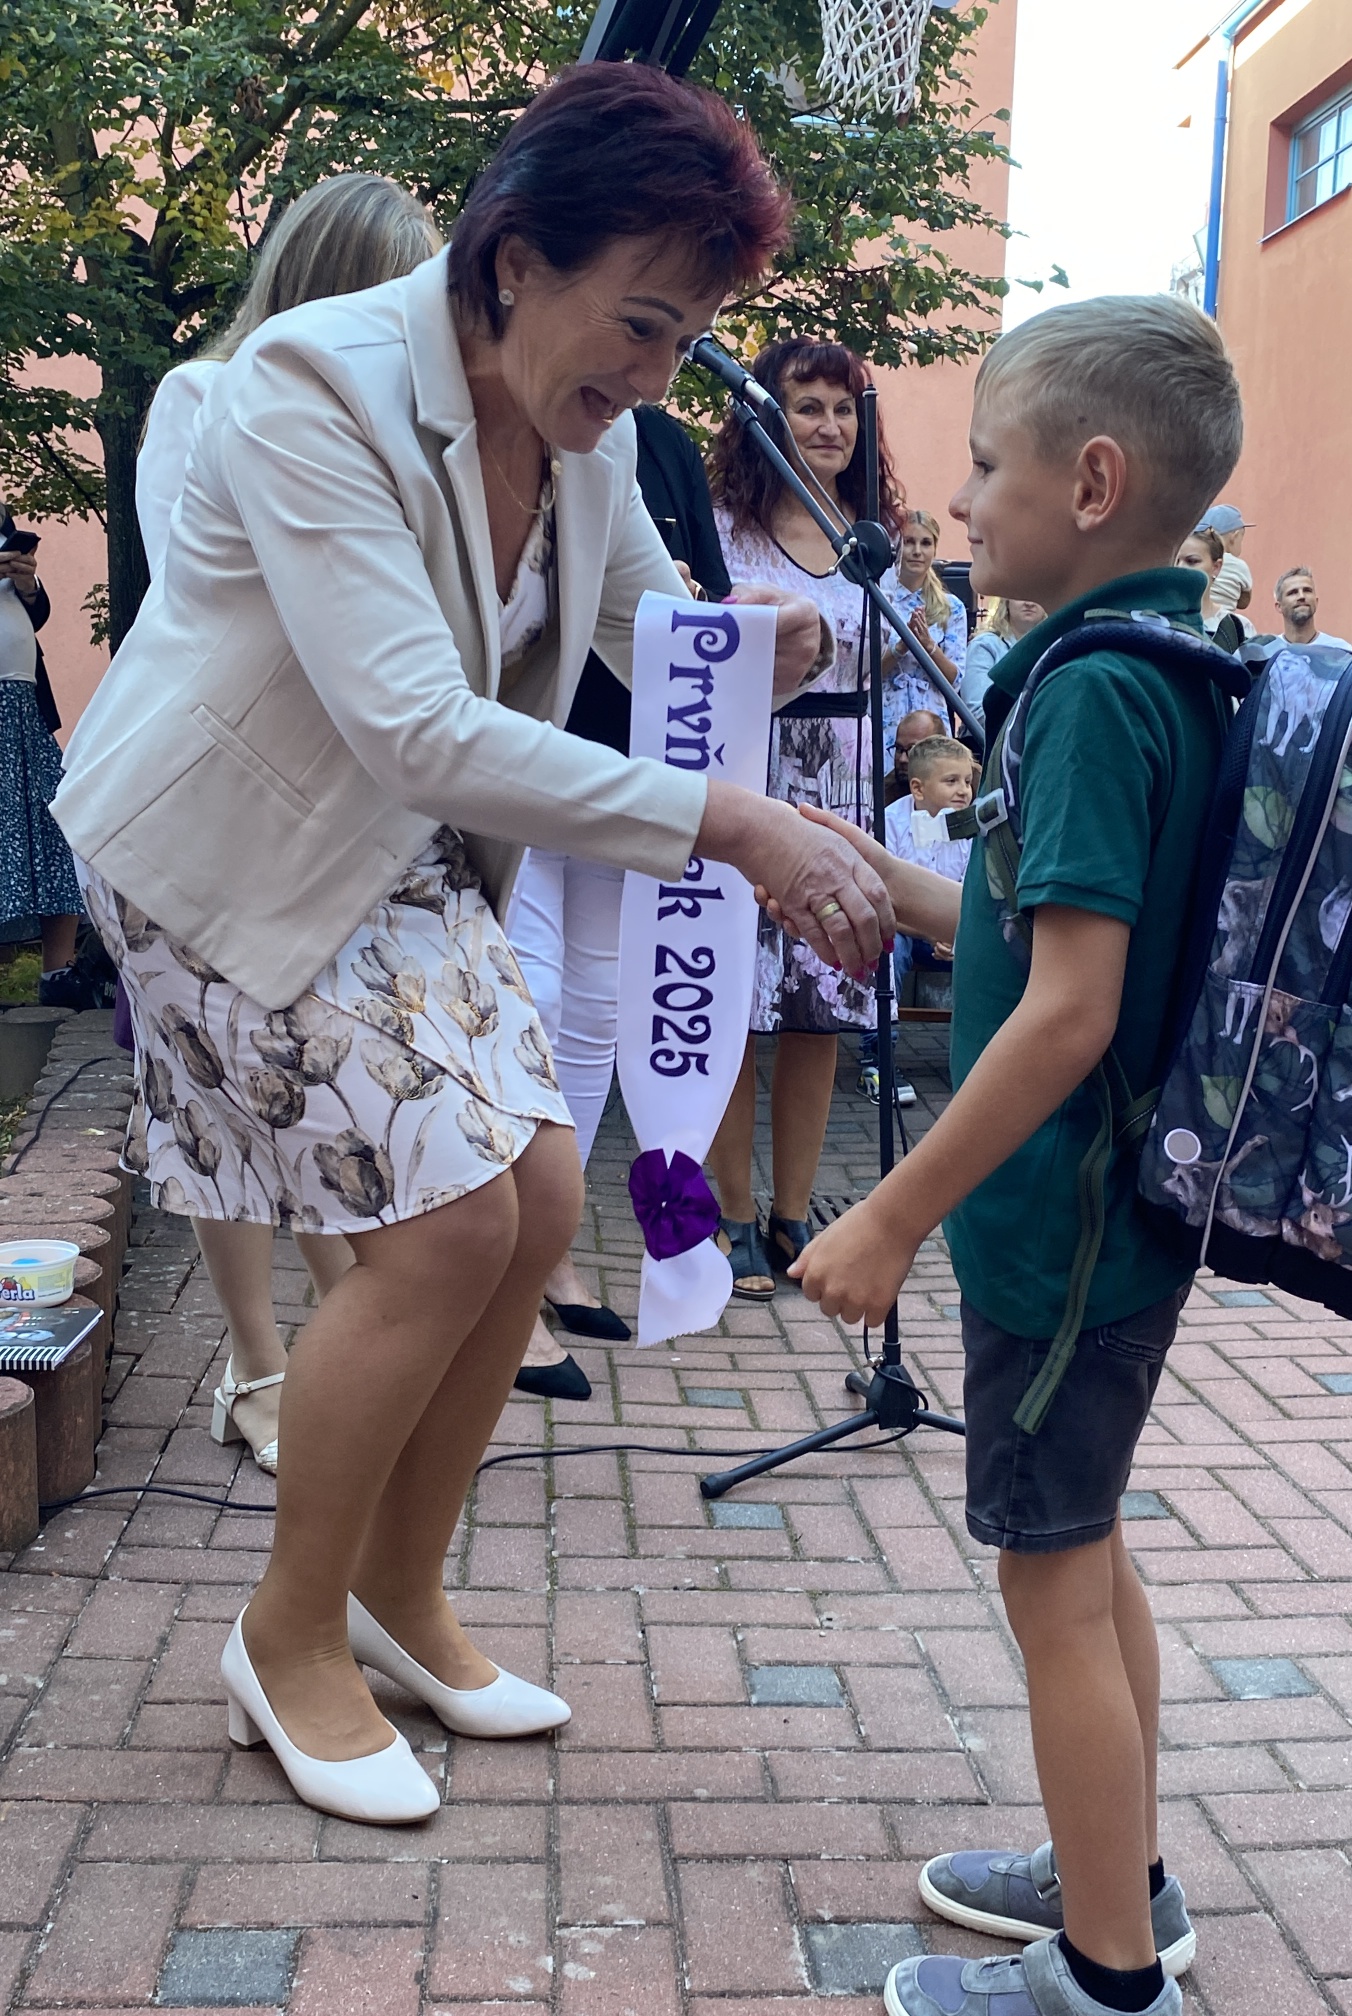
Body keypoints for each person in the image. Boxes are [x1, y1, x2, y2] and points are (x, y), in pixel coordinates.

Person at [52, 63, 894, 1827]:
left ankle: (397, 1593)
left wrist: (768, 653)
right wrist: (736, 828)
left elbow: (657, 636)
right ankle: (286, 1637)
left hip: (402, 857)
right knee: (441, 1231)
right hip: (223, 857)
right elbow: (416, 727)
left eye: (687, 342)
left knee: (535, 1201)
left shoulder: (591, 436)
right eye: (641, 325)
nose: (655, 378)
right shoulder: (311, 385)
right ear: (515, 260)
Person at [789, 293, 1244, 2016]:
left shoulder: (1087, 696)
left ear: (1093, 483)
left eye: (987, 466)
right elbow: (1036, 932)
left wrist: (894, 1218)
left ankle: (1108, 1981)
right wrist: (884, 881)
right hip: (1104, 1212)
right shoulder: (1162, 667)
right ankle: (1115, 1871)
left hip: (1058, 1225)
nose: (962, 500)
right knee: (1088, 1547)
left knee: (1047, 1580)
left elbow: (1065, 1013)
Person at [132, 172, 441, 1474]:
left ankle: (326, 1351)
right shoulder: (204, 399)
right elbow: (202, 604)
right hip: (213, 812)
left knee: (305, 1092)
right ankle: (257, 1364)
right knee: (217, 1099)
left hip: (345, 813)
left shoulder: (399, 437)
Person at [505, 401, 731, 1398]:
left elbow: (705, 599)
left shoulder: (655, 442)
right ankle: (505, 1281)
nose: (655, 361)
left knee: (597, 1010)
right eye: (642, 328)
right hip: (513, 759)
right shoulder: (496, 424)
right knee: (532, 998)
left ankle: (546, 1255)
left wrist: (712, 613)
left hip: (625, 758)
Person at [706, 336, 904, 1298]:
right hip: (753, 764)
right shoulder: (725, 528)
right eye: (807, 405)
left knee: (823, 1004)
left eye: (843, 407)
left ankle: (793, 1211)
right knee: (738, 1003)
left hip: (846, 774)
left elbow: (890, 658)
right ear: (766, 416)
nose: (829, 426)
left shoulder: (872, 535)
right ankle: (731, 1213)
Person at [0, 501, 90, 1008]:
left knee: (55, 826)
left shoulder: (7, 532)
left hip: (24, 704)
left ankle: (59, 973)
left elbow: (34, 616)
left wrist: (29, 584)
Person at [856, 735, 974, 1105]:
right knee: (887, 949)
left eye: (967, 781)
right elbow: (882, 898)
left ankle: (980, 1056)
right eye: (951, 781)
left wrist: (958, 934)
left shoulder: (972, 826)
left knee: (996, 949)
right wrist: (931, 930)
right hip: (905, 928)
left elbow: (977, 894)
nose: (964, 790)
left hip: (957, 930)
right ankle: (879, 1058)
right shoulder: (889, 823)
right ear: (918, 788)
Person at [881, 510, 967, 766]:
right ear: (897, 547)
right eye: (909, 542)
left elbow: (956, 680)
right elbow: (864, 674)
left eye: (926, 543)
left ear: (934, 549)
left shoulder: (951, 607)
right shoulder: (880, 598)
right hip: (886, 717)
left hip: (931, 717)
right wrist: (901, 647)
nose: (917, 551)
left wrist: (929, 646)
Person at [961, 599, 1046, 713]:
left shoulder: (1057, 645)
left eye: (1036, 596)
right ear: (1006, 602)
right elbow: (979, 710)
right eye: (1021, 596)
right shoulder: (984, 646)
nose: (1029, 603)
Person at [1173, 528, 1243, 652]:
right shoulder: (1156, 619)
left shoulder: (1235, 628)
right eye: (1176, 561)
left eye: (1192, 561)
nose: (1180, 568)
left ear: (1216, 567)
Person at [1258, 565, 1351, 652]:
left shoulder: (1339, 650)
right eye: (1293, 592)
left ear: (1316, 601)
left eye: (1307, 590)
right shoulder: (1267, 652)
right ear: (1279, 606)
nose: (1301, 596)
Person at [1193, 502, 1253, 629]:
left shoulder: (1198, 560)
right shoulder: (1239, 566)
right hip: (1225, 624)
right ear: (1234, 536)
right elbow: (1244, 602)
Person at [884, 706, 950, 805]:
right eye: (898, 749)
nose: (902, 759)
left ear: (940, 750)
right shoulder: (884, 793)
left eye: (912, 750)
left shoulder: (966, 783)